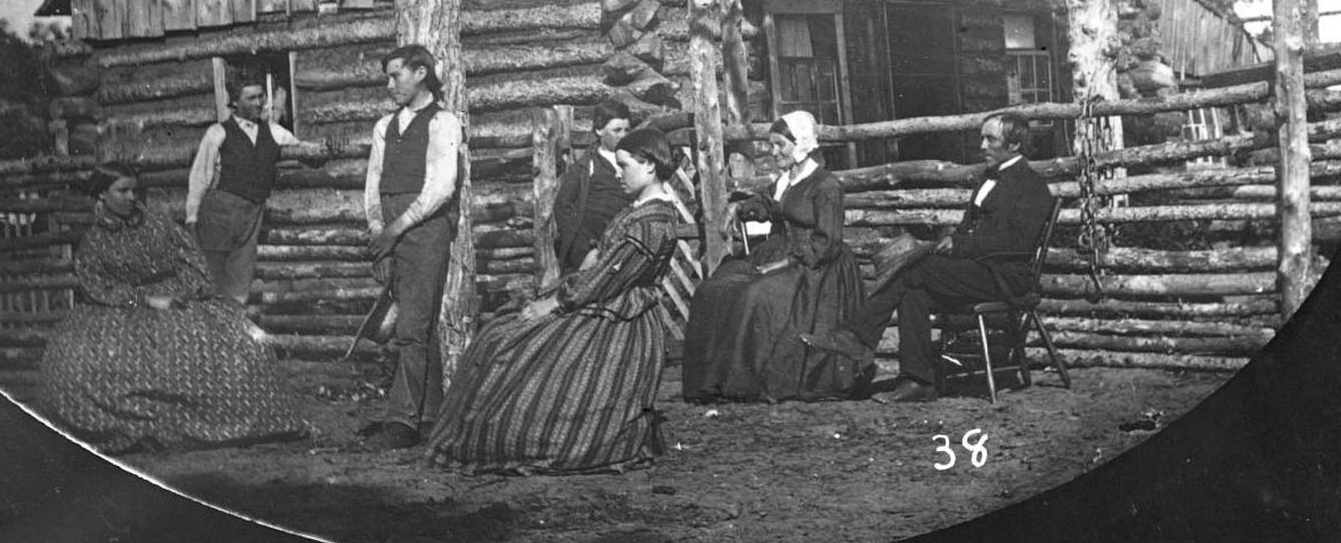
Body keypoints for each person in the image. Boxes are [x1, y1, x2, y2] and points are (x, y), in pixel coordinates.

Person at [425, 127, 689, 474]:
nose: (618, 173)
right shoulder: (638, 210)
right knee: (501, 332)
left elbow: (608, 277)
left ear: (650, 166)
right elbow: (599, 260)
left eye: (624, 166)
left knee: (517, 345)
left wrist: (555, 303)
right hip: (601, 298)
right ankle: (476, 431)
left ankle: (507, 436)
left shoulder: (652, 222)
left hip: (618, 319)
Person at [39, 163, 305, 453]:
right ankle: (141, 426)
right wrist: (143, 299)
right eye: (122, 190)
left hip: (178, 300)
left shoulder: (158, 224)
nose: (131, 197)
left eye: (134, 190)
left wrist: (179, 293)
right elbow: (96, 286)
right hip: (122, 310)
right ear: (102, 194)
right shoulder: (94, 241)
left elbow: (194, 264)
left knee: (246, 347)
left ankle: (232, 426)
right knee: (73, 365)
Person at [802, 112, 1054, 402]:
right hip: (976, 270)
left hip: (1006, 277)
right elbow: (970, 228)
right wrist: (953, 241)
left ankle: (856, 336)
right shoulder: (989, 176)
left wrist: (959, 247)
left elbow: (1018, 243)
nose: (982, 145)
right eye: (982, 137)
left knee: (915, 269)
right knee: (913, 289)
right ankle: (918, 381)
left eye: (990, 139)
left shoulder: (1031, 186)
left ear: (1015, 146)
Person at [681, 110, 866, 403]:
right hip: (780, 251)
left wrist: (785, 263)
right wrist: (738, 209)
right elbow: (767, 203)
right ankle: (711, 380)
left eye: (780, 144)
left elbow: (827, 242)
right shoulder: (786, 179)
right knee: (713, 289)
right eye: (771, 144)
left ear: (802, 144)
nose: (774, 151)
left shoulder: (826, 186)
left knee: (755, 295)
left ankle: (746, 382)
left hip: (814, 268)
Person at [360, 44, 461, 451]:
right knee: (416, 325)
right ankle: (431, 416)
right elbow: (373, 182)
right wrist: (377, 231)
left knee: (412, 327)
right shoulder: (385, 126)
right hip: (391, 231)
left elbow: (440, 188)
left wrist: (398, 229)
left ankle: (401, 422)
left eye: (396, 75)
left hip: (424, 233)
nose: (390, 85)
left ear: (421, 73)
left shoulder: (444, 123)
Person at [185, 71, 302, 304]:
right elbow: (200, 176)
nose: (260, 103)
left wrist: (326, 149)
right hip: (219, 213)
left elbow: (303, 150)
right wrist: (191, 217)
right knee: (213, 278)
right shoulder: (218, 132)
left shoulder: (274, 131)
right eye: (252, 98)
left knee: (240, 281)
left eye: (261, 96)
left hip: (251, 214)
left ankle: (233, 327)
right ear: (235, 102)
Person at [552, 99, 633, 274]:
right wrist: (575, 239)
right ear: (599, 130)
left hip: (624, 241)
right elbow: (563, 205)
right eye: (616, 130)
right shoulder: (586, 166)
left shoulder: (636, 162)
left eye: (627, 130)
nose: (623, 135)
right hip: (589, 245)